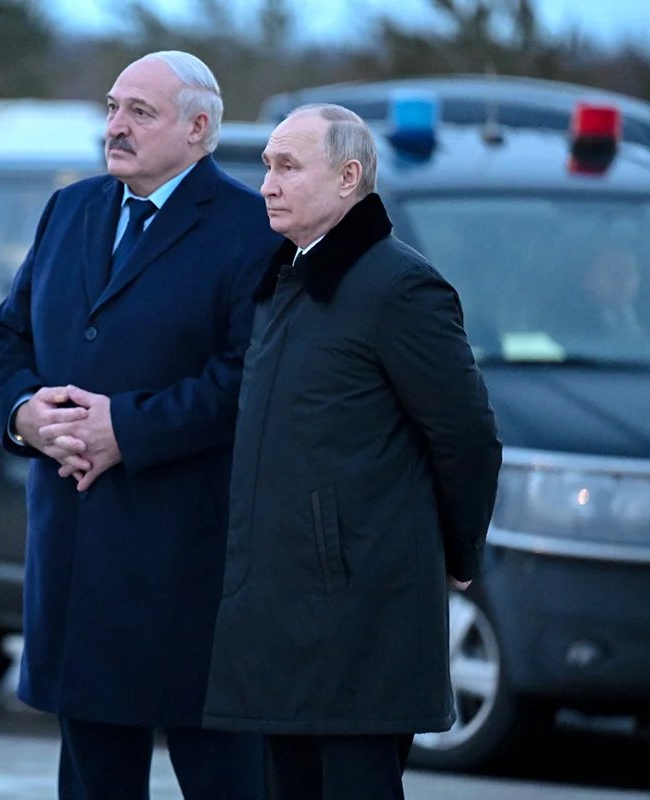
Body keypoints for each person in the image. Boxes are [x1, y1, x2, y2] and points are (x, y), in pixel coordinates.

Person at [0, 50, 278, 799]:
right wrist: (24, 414)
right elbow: (9, 335)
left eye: (140, 112)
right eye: (112, 108)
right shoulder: (71, 208)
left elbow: (250, 375)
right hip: (77, 557)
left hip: (189, 571)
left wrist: (128, 429)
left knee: (227, 782)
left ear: (198, 128)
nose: (116, 126)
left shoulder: (252, 228)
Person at [202, 104, 502, 800]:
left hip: (360, 619)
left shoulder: (398, 286)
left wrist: (458, 554)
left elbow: (467, 436)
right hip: (281, 616)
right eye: (266, 166)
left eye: (287, 166)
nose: (267, 184)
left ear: (348, 177)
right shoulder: (286, 281)